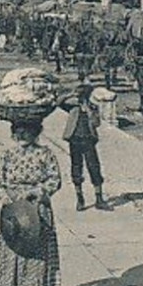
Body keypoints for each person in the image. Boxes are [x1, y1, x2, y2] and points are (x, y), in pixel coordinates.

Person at [0, 118, 65, 286]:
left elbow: (54, 179)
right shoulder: (7, 154)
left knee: (41, 256)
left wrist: (36, 192)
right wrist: (5, 196)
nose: (22, 136)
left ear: (36, 132)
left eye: (27, 131)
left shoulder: (45, 154)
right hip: (14, 212)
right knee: (15, 254)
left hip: (37, 211)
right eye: (18, 131)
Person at [62, 82, 108, 211]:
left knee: (94, 167)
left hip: (88, 140)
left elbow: (96, 123)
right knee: (76, 168)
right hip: (74, 139)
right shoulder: (72, 107)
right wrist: (71, 94)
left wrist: (89, 111)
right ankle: (80, 198)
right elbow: (58, 102)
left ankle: (99, 198)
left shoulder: (92, 107)